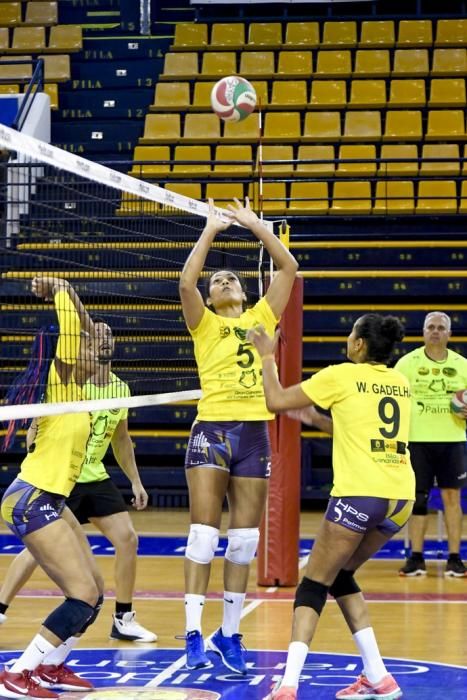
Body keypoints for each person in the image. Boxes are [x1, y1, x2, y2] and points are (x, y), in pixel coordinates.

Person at [247, 314, 415, 700]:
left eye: (351, 334)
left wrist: (267, 357)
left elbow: (274, 400)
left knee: (313, 585)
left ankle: (287, 686)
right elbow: (362, 433)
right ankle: (378, 676)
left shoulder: (340, 374)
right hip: (400, 498)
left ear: (359, 345)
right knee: (341, 576)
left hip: (359, 494)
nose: (348, 339)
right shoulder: (401, 383)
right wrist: (315, 418)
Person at [178, 197, 298, 674]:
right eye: (216, 282)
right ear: (210, 298)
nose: (222, 281)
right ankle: (192, 635)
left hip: (253, 434)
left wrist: (255, 226)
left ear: (246, 293)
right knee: (204, 535)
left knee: (244, 542)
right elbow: (186, 280)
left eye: (230, 278)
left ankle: (229, 634)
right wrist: (210, 228)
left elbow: (288, 266)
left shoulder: (262, 318)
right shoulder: (203, 323)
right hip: (212, 429)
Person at [0, 320, 157, 642]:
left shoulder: (120, 389)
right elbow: (40, 421)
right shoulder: (74, 381)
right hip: (63, 478)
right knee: (36, 549)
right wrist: (33, 443)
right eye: (95, 334)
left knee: (127, 539)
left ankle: (123, 618)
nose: (102, 339)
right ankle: (1, 608)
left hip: (94, 476)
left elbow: (122, 439)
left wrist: (136, 482)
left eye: (108, 333)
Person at [0, 275, 104, 699]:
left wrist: (78, 304)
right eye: (84, 345)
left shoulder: (82, 391)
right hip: (31, 499)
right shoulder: (61, 381)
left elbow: (84, 324)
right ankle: (17, 673)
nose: (91, 348)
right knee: (80, 595)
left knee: (94, 595)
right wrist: (63, 288)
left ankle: (51, 668)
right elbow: (71, 324)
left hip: (49, 499)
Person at [395, 311, 467, 577]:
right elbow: (393, 399)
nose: (435, 331)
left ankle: (455, 558)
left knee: (452, 498)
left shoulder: (463, 365)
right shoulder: (406, 364)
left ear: (449, 334)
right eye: (430, 327)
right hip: (417, 441)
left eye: (440, 328)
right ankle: (416, 558)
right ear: (423, 332)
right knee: (418, 500)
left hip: (453, 440)